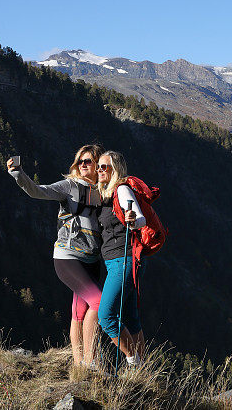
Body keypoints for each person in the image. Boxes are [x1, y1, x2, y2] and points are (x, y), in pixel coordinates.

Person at [6, 144, 104, 368]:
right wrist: (18, 174)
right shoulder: (69, 186)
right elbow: (38, 191)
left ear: (98, 164)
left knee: (79, 313)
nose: (83, 165)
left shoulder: (104, 190)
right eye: (80, 161)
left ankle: (79, 368)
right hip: (67, 256)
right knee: (98, 303)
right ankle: (91, 363)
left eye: (88, 161)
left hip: (92, 259)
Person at [96, 150, 146, 367]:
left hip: (124, 261)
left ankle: (133, 362)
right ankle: (143, 367)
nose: (99, 170)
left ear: (114, 170)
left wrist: (132, 220)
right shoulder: (107, 194)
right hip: (120, 261)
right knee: (130, 317)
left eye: (103, 167)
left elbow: (140, 219)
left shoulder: (122, 189)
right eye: (98, 166)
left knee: (106, 316)